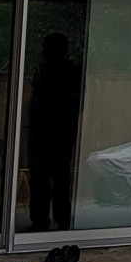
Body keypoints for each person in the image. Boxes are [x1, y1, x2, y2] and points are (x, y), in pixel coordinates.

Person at [25, 30, 80, 230]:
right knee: (50, 178)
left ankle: (52, 219)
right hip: (49, 132)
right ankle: (49, 219)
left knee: (53, 178)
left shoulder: (62, 72)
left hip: (55, 132)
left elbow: (70, 104)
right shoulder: (47, 70)